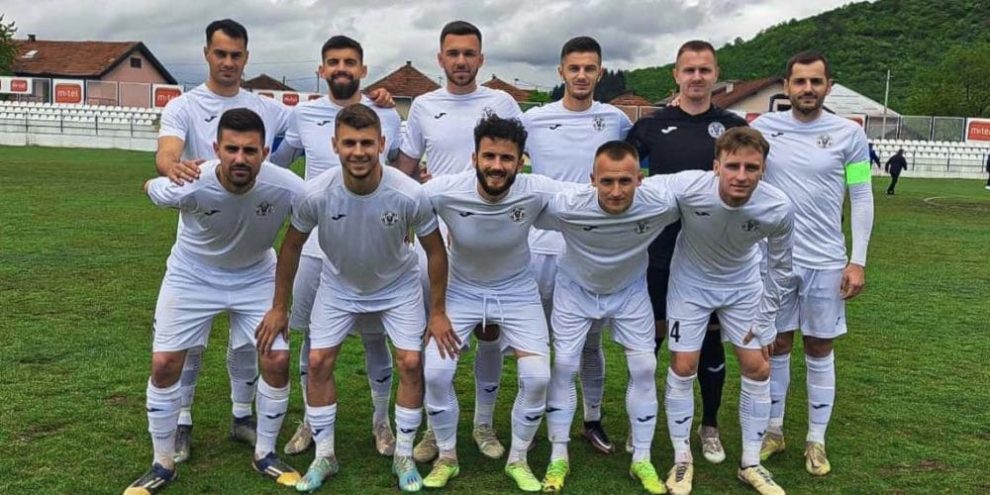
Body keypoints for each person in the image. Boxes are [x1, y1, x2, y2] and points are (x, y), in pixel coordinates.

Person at [256, 104, 451, 493]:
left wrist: (438, 312)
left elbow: (435, 251)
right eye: (349, 143)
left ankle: (403, 455)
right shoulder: (316, 193)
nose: (358, 152)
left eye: (366, 143)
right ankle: (325, 455)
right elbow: (291, 247)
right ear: (335, 145)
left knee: (411, 362)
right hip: (339, 286)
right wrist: (279, 307)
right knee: (317, 361)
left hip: (397, 287)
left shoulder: (408, 192)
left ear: (381, 143)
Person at [125, 108, 305, 495]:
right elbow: (149, 186)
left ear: (265, 153)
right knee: (164, 364)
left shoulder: (287, 187)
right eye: (232, 149)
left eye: (250, 150)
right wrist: (169, 172)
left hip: (255, 276)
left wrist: (279, 306)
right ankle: (162, 463)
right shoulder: (191, 183)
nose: (240, 158)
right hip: (192, 276)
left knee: (276, 359)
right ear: (216, 149)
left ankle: (265, 453)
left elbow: (322, 209)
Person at [154, 18, 294, 462]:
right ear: (207, 54)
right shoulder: (184, 105)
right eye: (220, 54)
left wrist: (374, 99)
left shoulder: (267, 108)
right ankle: (181, 421)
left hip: (252, 247)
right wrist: (175, 169)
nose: (228, 62)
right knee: (188, 345)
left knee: (252, 343)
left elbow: (316, 122)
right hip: (201, 243)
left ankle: (242, 416)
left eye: (236, 55)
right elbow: (166, 153)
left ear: (246, 58)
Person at [395, 20, 524, 463]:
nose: (462, 61)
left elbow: (516, 161)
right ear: (441, 58)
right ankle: (435, 428)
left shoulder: (501, 102)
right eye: (453, 53)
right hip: (435, 239)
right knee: (433, 331)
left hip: (489, 237)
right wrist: (405, 213)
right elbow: (406, 168)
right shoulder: (424, 105)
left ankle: (484, 423)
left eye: (469, 53)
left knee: (489, 332)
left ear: (481, 59)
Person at [267, 35, 403, 458]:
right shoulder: (303, 114)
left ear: (363, 69)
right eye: (333, 62)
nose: (341, 68)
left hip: (373, 246)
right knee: (312, 337)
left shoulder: (386, 114)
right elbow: (277, 165)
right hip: (315, 245)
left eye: (349, 62)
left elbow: (402, 171)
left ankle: (381, 421)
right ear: (321, 70)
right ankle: (311, 420)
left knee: (375, 336)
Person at [420, 115, 571, 491]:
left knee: (537, 377)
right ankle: (446, 456)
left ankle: (517, 459)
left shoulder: (537, 189)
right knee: (435, 373)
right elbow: (400, 199)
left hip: (517, 292)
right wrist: (436, 311)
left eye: (507, 158)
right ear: (474, 158)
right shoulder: (444, 190)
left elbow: (591, 195)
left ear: (521, 162)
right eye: (489, 156)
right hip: (461, 291)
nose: (497, 166)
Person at [752, 50, 874, 477]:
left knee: (820, 346)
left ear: (828, 86)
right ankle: (773, 431)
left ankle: (816, 440)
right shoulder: (764, 128)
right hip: (775, 259)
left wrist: (857, 261)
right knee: (777, 344)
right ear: (786, 86)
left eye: (815, 81)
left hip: (826, 261)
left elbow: (861, 195)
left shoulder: (849, 134)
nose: (807, 89)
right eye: (800, 81)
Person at [626, 39, 747, 462]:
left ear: (716, 75)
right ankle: (639, 422)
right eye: (689, 70)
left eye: (704, 70)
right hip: (659, 252)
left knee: (709, 343)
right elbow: (622, 172)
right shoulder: (651, 126)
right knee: (652, 340)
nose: (697, 77)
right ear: (676, 74)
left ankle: (709, 425)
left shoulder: (731, 126)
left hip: (711, 256)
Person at [537, 141, 680, 495]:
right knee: (564, 364)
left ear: (640, 179)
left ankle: (642, 458)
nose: (616, 191)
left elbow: (703, 188)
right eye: (607, 182)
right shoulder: (566, 205)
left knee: (645, 366)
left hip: (629, 290)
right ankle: (558, 456)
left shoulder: (662, 204)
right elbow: (522, 205)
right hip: (575, 289)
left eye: (625, 181)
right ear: (592, 180)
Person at [659, 127, 792, 495]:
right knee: (684, 366)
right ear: (716, 166)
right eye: (733, 166)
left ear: (763, 169)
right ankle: (682, 459)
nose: (741, 176)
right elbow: (641, 189)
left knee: (758, 367)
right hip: (690, 283)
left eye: (752, 167)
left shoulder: (777, 206)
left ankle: (751, 463)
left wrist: (767, 318)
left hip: (742, 286)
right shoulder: (688, 185)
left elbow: (780, 267)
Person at [521, 35, 633, 455]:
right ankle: (533, 417)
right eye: (574, 68)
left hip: (590, 250)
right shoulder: (534, 119)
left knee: (588, 342)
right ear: (561, 72)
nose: (582, 75)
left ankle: (591, 418)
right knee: (534, 339)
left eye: (589, 68)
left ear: (599, 73)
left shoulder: (615, 120)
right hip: (539, 247)